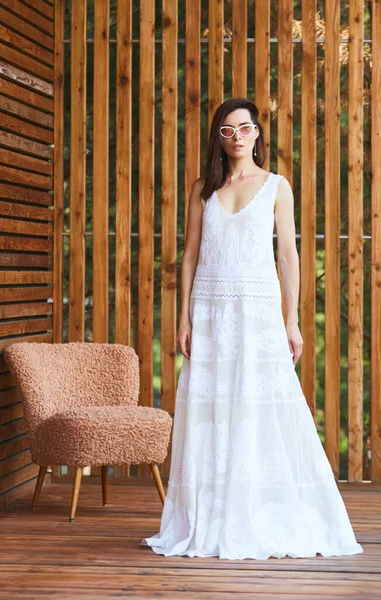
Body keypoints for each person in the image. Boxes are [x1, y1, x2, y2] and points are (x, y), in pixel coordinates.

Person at [141, 98, 363, 560]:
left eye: (245, 128)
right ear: (218, 138)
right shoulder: (204, 187)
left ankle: (258, 514)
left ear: (258, 133)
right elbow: (190, 255)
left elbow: (288, 256)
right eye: (228, 130)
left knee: (257, 409)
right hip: (211, 309)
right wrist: (183, 317)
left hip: (258, 310)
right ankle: (208, 516)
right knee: (212, 413)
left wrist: (292, 320)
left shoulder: (276, 187)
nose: (238, 136)